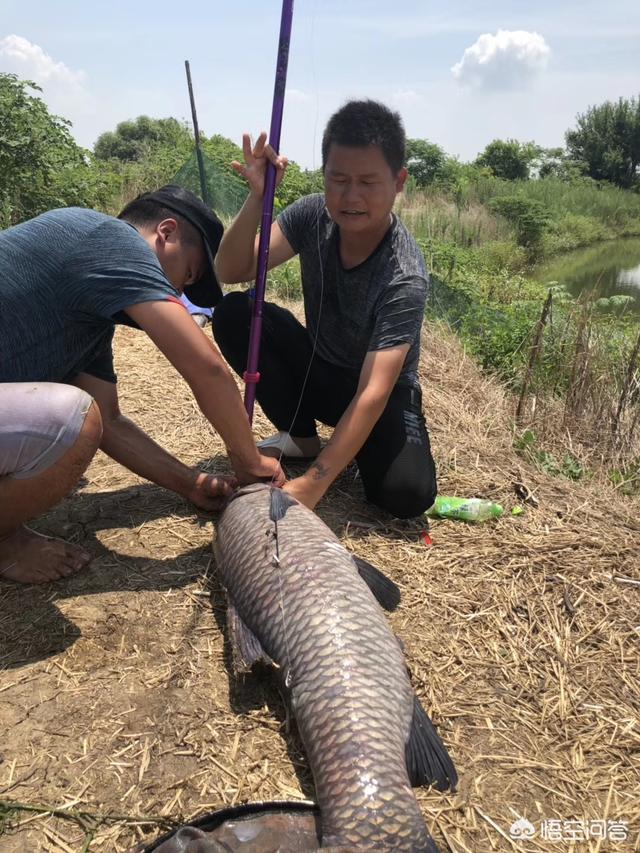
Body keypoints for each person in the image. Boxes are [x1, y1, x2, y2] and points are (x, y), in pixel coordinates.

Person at [0, 185, 284, 585]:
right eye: (186, 274)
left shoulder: (91, 321)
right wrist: (249, 460)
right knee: (71, 418)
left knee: (84, 417)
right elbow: (208, 369)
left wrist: (191, 483)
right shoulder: (109, 238)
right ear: (164, 233)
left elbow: (111, 423)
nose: (180, 294)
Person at [212, 99, 437, 519]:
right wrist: (256, 199)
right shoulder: (313, 214)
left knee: (407, 496)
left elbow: (374, 390)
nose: (351, 196)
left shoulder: (404, 275)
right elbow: (231, 269)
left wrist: (313, 484)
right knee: (232, 312)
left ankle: (349, 448)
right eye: (338, 179)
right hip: (320, 368)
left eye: (368, 182)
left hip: (380, 393)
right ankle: (301, 437)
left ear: (399, 181)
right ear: (324, 176)